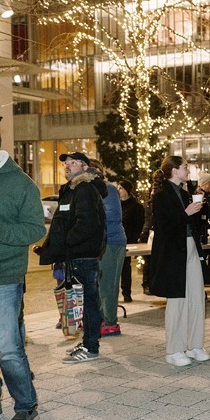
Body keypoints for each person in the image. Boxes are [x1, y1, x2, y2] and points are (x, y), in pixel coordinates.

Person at [0, 122, 44, 420]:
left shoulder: (20, 184)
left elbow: (35, 229)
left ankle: (26, 407)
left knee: (7, 346)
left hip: (2, 277)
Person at [40, 152, 107, 364]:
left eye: (73, 162)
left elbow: (87, 224)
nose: (67, 166)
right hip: (76, 254)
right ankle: (88, 341)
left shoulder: (84, 189)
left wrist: (65, 242)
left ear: (85, 167)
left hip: (82, 255)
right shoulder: (73, 189)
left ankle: (91, 347)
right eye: (66, 163)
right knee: (83, 301)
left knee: (88, 303)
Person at [149, 156, 209, 367]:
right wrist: (186, 213)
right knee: (177, 301)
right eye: (185, 167)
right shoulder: (161, 195)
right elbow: (163, 227)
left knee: (196, 296)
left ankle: (194, 344)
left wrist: (199, 209)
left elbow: (190, 223)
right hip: (172, 252)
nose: (188, 171)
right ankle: (173, 349)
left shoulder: (185, 193)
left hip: (190, 246)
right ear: (174, 171)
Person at [88, 159, 126, 337]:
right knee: (98, 283)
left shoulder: (108, 189)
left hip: (111, 241)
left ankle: (111, 322)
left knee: (108, 284)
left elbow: (113, 215)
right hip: (98, 242)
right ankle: (101, 318)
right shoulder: (90, 188)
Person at [118, 180, 145, 303]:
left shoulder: (135, 206)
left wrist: (133, 240)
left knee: (125, 268)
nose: (119, 191)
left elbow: (138, 225)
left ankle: (126, 293)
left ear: (127, 191)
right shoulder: (116, 204)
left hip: (127, 241)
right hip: (116, 240)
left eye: (121, 188)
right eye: (118, 188)